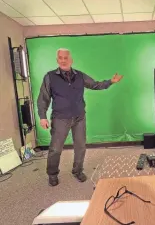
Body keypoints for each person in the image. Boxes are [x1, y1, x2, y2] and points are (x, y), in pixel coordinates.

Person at [37, 48, 123, 186]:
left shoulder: (80, 76)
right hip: (60, 118)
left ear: (71, 60)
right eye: (60, 58)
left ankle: (77, 171)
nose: (63, 60)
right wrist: (42, 116)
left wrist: (111, 81)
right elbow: (43, 98)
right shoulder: (50, 76)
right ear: (57, 60)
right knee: (55, 149)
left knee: (80, 146)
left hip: (79, 117)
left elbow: (95, 85)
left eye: (66, 57)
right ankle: (52, 174)